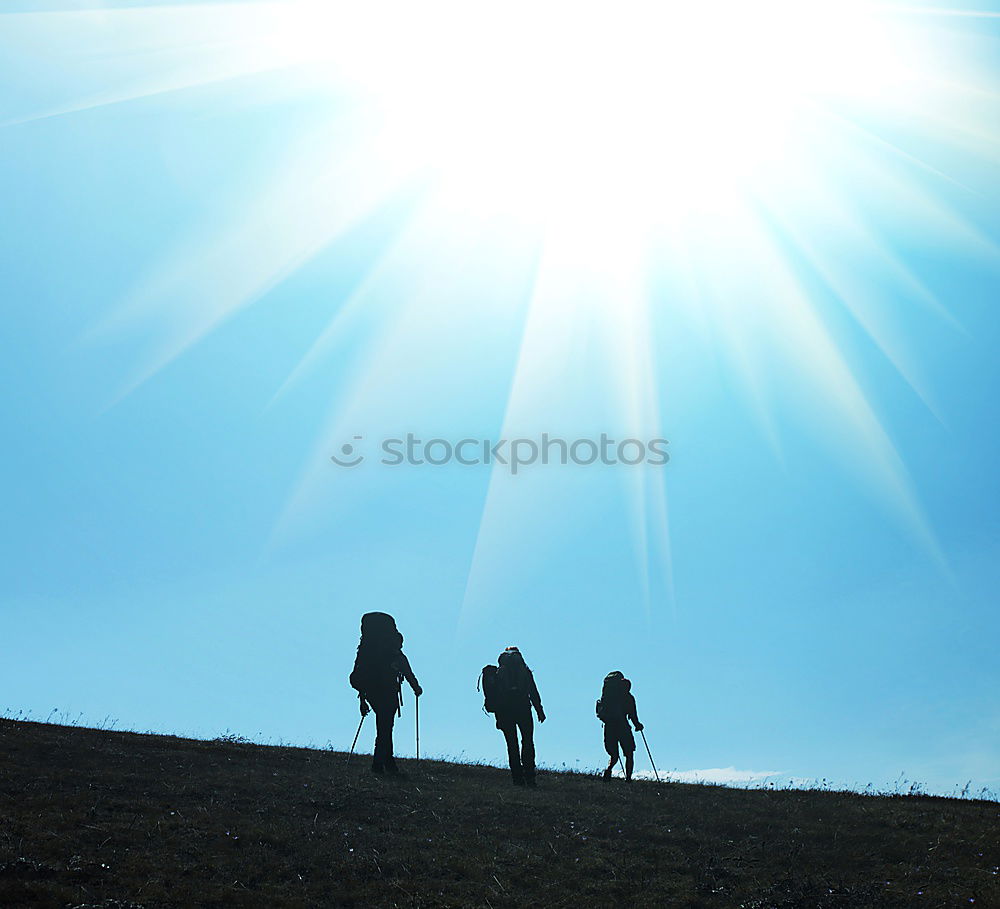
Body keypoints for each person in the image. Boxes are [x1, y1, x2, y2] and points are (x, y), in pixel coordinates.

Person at [349, 612, 422, 774]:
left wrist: (362, 701)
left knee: (384, 727)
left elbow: (362, 674)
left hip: (372, 694)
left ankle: (385, 762)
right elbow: (409, 674)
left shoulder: (370, 653)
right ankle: (381, 764)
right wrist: (416, 689)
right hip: (388, 695)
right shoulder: (396, 656)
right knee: (385, 728)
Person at [491, 646, 545, 786]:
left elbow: (495, 693)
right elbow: (533, 691)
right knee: (527, 741)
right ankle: (530, 776)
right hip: (523, 709)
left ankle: (517, 778)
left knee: (512, 744)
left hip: (505, 711)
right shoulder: (524, 671)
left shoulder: (500, 672)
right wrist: (539, 710)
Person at [596, 671, 643, 782]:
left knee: (614, 755)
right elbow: (633, 715)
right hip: (623, 727)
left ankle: (608, 770)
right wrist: (638, 725)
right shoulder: (629, 698)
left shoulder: (610, 697)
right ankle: (628, 778)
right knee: (629, 753)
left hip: (610, 726)